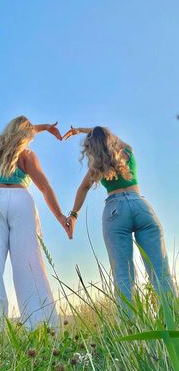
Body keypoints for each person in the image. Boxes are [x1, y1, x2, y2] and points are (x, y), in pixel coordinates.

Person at [0, 115, 68, 331]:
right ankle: (42, 328)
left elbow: (18, 133)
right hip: (22, 201)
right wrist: (61, 217)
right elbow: (45, 187)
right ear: (27, 135)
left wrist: (42, 127)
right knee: (30, 266)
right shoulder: (27, 155)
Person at [64, 126, 176, 302]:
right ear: (111, 139)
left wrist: (74, 215)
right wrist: (81, 130)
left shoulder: (98, 166)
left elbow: (83, 188)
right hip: (140, 205)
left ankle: (131, 327)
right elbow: (104, 132)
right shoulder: (127, 152)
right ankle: (175, 321)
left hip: (115, 211)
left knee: (123, 278)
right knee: (161, 273)